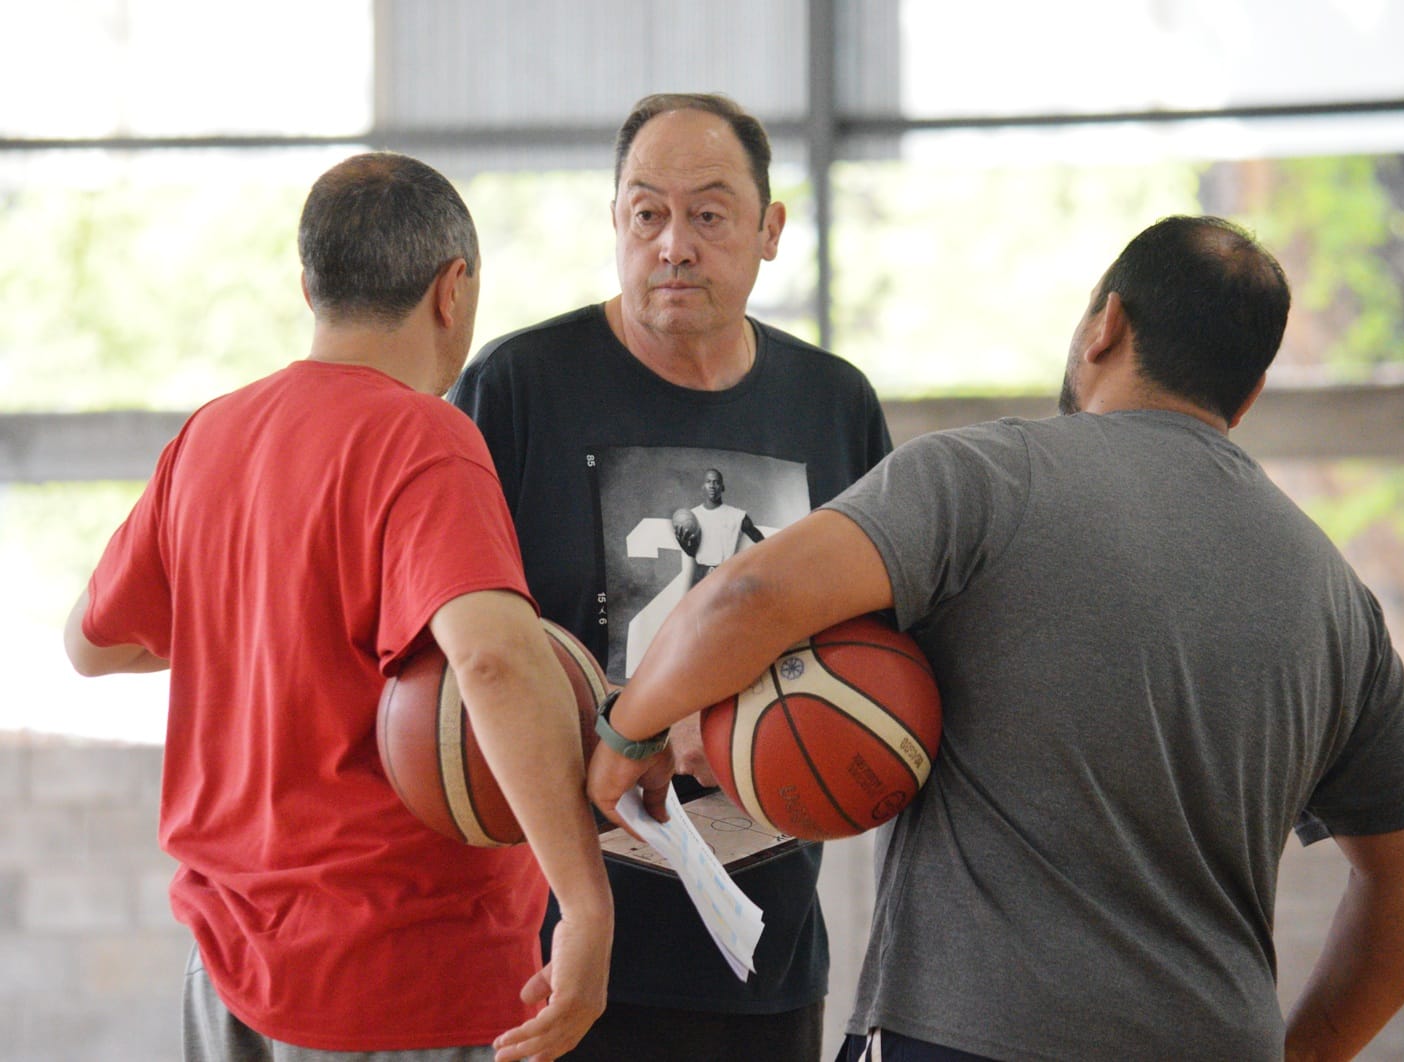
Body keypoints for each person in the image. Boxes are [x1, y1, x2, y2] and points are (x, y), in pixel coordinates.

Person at [589, 215, 1404, 1061]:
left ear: (1105, 326)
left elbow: (749, 595)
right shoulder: (1334, 593)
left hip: (974, 1032)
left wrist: (630, 731)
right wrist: (1306, 1054)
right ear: (1248, 392)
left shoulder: (988, 478)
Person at [62, 152, 612, 1062]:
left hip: (230, 966)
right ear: (454, 290)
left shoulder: (212, 434)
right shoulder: (425, 436)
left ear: (309, 282)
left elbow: (91, 643)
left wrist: (261, 628)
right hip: (404, 975)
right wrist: (586, 906)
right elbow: (491, 660)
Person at [450, 93, 891, 1061]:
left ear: (771, 231)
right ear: (615, 222)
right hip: (559, 951)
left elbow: (871, 650)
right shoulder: (516, 388)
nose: (674, 245)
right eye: (647, 213)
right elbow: (460, 657)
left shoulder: (834, 403)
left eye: (710, 213)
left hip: (763, 954)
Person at [682, 466, 763, 584]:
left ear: (722, 487)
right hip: (701, 575)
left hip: (727, 575)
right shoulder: (692, 516)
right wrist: (684, 544)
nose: (712, 486)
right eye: (708, 482)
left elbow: (760, 540)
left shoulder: (737, 515)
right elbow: (691, 552)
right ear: (703, 486)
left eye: (716, 482)